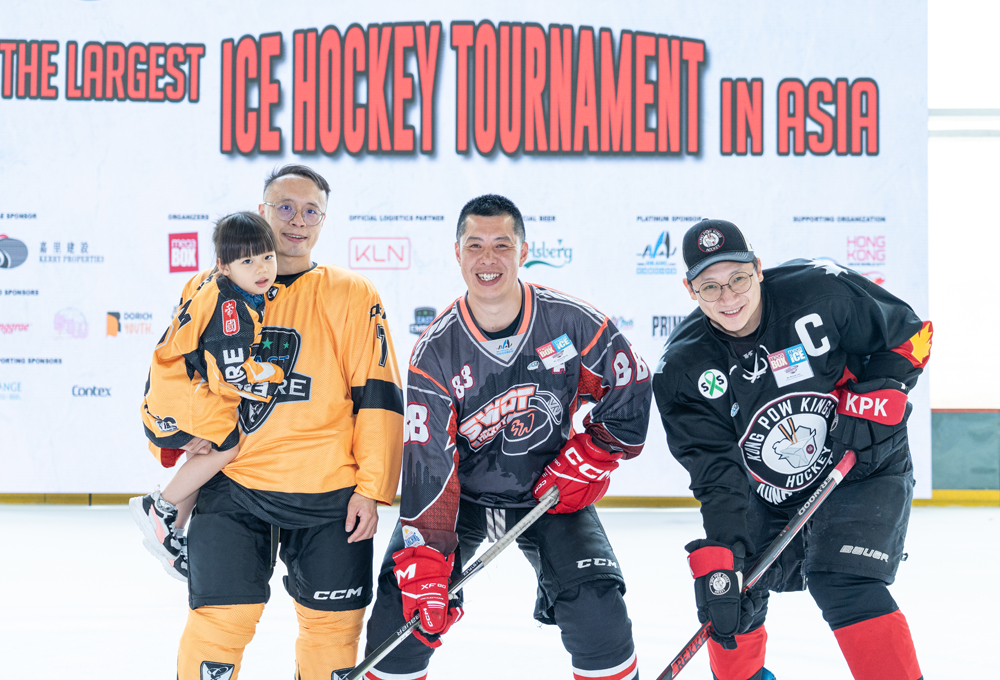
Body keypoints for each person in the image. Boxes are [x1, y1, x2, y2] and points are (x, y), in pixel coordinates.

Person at [363, 194, 651, 680]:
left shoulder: (571, 321)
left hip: (549, 488)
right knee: (402, 617)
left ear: (523, 252)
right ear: (457, 253)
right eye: (475, 245)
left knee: (597, 609)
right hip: (462, 497)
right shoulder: (435, 352)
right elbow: (430, 466)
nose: (488, 258)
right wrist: (428, 562)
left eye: (502, 244)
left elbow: (630, 385)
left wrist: (594, 453)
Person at [652, 219, 930, 680]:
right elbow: (716, 474)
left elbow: (910, 335)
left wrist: (880, 394)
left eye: (738, 279)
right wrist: (726, 552)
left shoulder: (821, 291)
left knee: (843, 581)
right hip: (764, 491)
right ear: (690, 290)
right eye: (710, 287)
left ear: (758, 269)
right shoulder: (682, 370)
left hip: (858, 460)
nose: (728, 298)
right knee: (731, 599)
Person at [170, 165, 404, 680]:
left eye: (310, 211)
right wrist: (181, 435)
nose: (297, 220)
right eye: (285, 207)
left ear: (323, 220)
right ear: (262, 212)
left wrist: (373, 488)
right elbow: (172, 371)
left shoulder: (352, 293)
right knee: (217, 628)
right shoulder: (210, 288)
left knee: (333, 634)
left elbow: (379, 396)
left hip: (329, 492)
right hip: (234, 485)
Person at [132, 211, 286, 582]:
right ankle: (160, 506)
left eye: (267, 257)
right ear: (224, 265)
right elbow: (231, 378)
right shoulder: (232, 311)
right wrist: (274, 375)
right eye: (247, 261)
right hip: (183, 392)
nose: (261, 268)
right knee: (225, 448)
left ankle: (169, 531)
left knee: (206, 450)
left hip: (172, 384)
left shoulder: (212, 282)